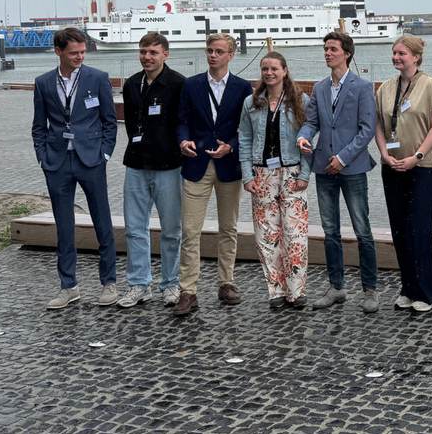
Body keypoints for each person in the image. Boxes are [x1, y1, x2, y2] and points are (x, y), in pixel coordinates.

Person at [31, 27, 118, 309]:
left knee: (102, 220)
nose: (79, 57)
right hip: (57, 162)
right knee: (64, 226)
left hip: (91, 160)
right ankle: (68, 286)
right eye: (73, 53)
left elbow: (109, 121)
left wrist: (104, 154)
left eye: (82, 52)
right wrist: (43, 157)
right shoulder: (43, 83)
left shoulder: (98, 78)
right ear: (58, 52)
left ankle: (109, 282)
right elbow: (38, 126)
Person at [297, 31, 379, 313]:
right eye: (325, 49)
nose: (327, 53)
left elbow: (367, 130)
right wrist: (303, 136)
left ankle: (370, 289)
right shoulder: (319, 88)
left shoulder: (363, 87)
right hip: (323, 168)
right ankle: (337, 287)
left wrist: (342, 158)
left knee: (362, 230)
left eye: (332, 49)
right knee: (330, 231)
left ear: (346, 53)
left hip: (352, 168)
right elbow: (312, 122)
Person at [172, 33, 252, 316]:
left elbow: (247, 128)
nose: (213, 55)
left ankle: (226, 282)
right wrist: (183, 140)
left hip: (228, 166)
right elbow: (181, 121)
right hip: (196, 165)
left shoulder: (243, 88)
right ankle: (188, 290)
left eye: (219, 51)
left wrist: (231, 146)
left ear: (231, 54)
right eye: (209, 50)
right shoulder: (191, 85)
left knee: (228, 228)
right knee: (190, 230)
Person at [374, 35, 432, 313]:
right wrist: (384, 153)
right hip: (392, 165)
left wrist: (416, 157)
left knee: (419, 229)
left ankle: (429, 292)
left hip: (423, 167)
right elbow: (379, 125)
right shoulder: (386, 87)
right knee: (400, 229)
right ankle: (408, 287)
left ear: (416, 57)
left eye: (402, 53)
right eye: (394, 53)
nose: (396, 57)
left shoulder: (430, 86)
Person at [117, 32, 185, 308]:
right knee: (134, 228)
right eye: (143, 52)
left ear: (165, 54)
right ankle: (138, 284)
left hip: (168, 166)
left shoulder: (179, 84)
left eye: (153, 52)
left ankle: (170, 284)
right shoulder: (132, 84)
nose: (147, 57)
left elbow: (181, 122)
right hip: (135, 164)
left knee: (171, 230)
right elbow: (132, 124)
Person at [239, 52, 311, 309]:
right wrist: (247, 175)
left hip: (291, 172)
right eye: (264, 69)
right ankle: (276, 291)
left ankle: (297, 290)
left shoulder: (300, 100)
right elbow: (245, 139)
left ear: (284, 70)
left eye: (273, 68)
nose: (269, 73)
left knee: (295, 233)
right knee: (266, 236)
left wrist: (304, 174)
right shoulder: (251, 102)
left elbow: (310, 137)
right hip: (262, 174)